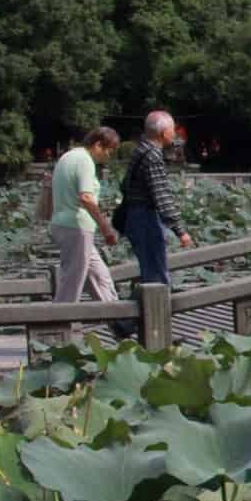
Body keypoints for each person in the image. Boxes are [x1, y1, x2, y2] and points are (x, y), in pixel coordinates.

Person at [116, 110, 193, 315]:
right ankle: (139, 329)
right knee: (157, 280)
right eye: (172, 129)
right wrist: (181, 231)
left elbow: (125, 185)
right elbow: (162, 196)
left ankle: (129, 325)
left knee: (151, 276)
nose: (174, 133)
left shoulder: (139, 150)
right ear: (163, 132)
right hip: (146, 219)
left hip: (134, 217)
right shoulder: (153, 155)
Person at [49, 126, 122, 339]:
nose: (108, 156)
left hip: (63, 224)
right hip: (77, 227)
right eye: (108, 150)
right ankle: (56, 335)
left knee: (101, 277)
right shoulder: (85, 161)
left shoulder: (68, 156)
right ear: (98, 144)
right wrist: (106, 227)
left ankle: (120, 324)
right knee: (72, 284)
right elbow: (86, 197)